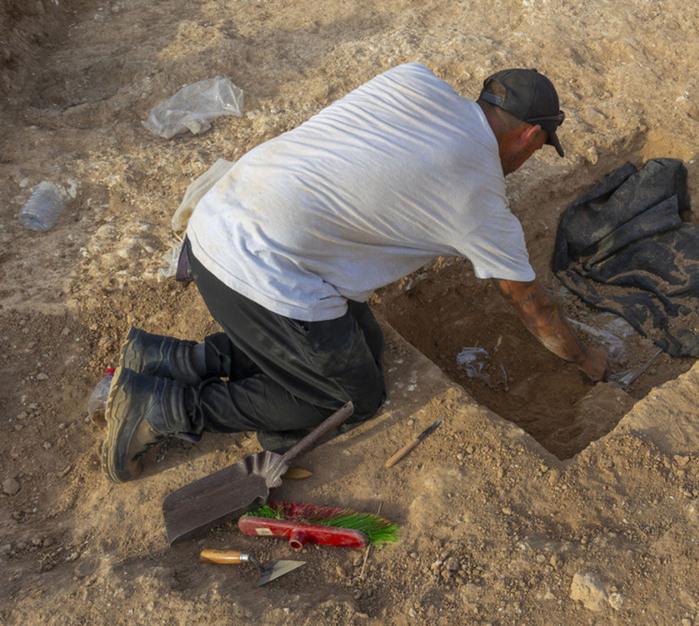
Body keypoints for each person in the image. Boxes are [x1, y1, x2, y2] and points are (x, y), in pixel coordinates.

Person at [102, 63, 610, 483]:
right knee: (350, 397)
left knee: (365, 343)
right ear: (530, 135)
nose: (528, 160)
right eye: (538, 149)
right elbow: (534, 309)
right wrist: (584, 358)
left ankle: (170, 357)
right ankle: (164, 408)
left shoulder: (416, 79)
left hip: (221, 217)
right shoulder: (478, 200)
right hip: (253, 270)